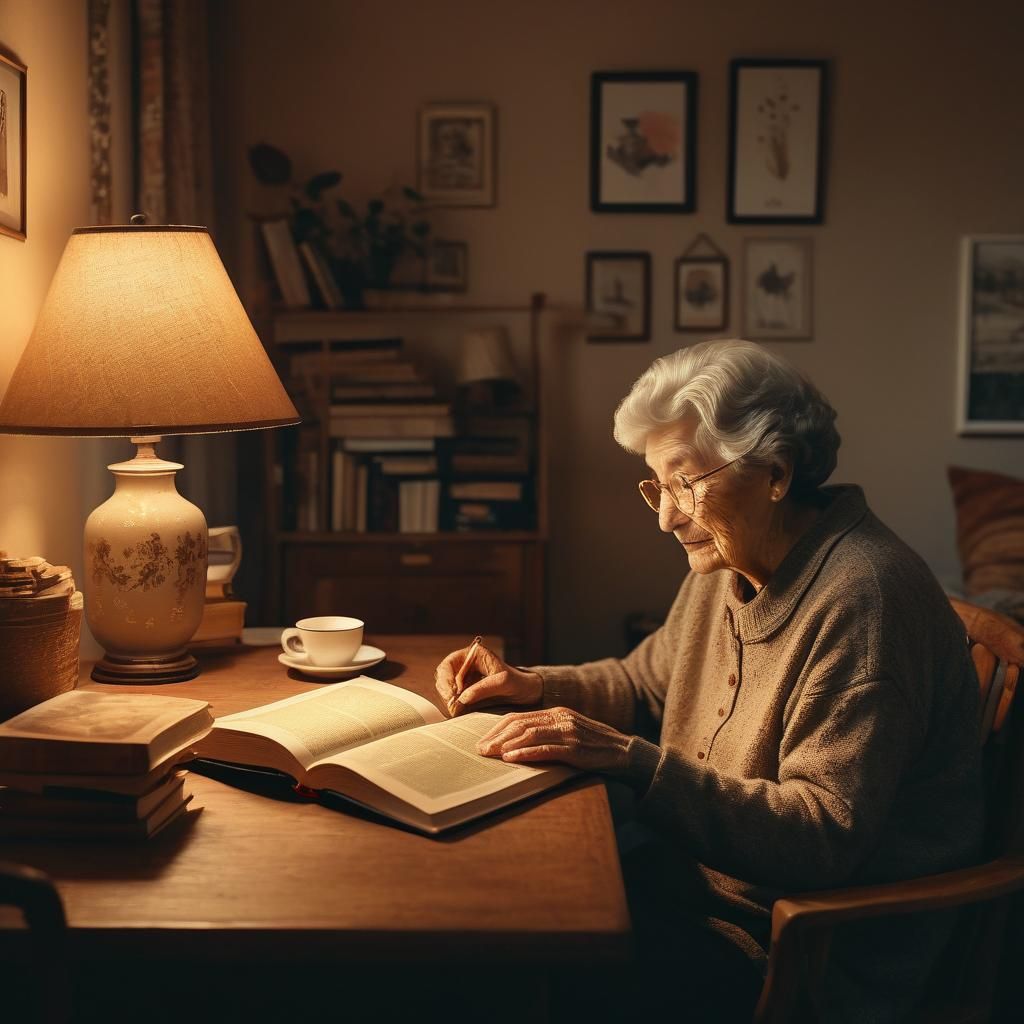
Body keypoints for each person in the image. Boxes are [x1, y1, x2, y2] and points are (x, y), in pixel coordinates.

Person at [435, 339, 983, 1022]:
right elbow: (646, 681)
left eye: (685, 484)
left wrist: (634, 761)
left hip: (793, 951)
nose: (666, 516)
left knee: (499, 971)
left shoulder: (863, 600)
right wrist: (534, 686)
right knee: (480, 912)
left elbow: (822, 836)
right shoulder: (733, 557)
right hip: (691, 887)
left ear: (776, 473)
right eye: (656, 487)